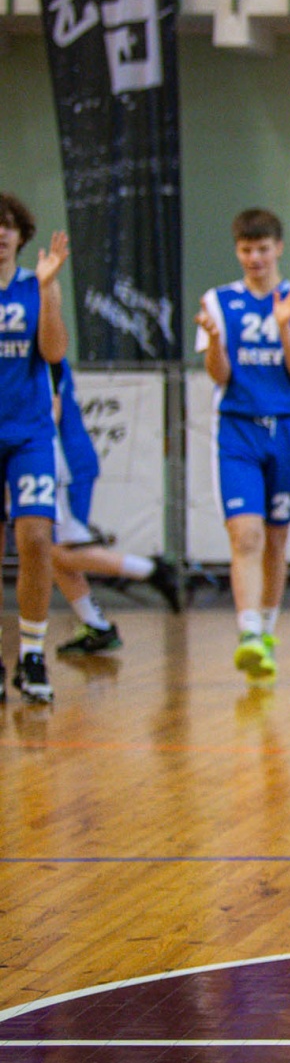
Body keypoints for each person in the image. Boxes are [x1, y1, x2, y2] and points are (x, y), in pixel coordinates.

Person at [197, 208, 290, 682]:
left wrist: (284, 327)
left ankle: (267, 632)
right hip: (237, 429)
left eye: (262, 248)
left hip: (285, 430)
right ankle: (249, 632)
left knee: (276, 538)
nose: (254, 257)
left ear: (278, 248)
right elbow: (219, 375)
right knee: (245, 534)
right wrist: (216, 342)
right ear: (237, 251)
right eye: (246, 249)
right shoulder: (217, 301)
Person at [49, 361, 183, 654]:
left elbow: (50, 411)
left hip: (64, 464)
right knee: (54, 553)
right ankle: (95, 625)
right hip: (62, 459)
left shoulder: (43, 352)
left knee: (57, 551)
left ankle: (151, 570)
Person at [0, 192, 68, 704]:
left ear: (21, 235)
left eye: (7, 226)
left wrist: (46, 290)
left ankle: (31, 654)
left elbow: (54, 351)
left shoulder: (37, 284)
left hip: (29, 433)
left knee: (36, 539)